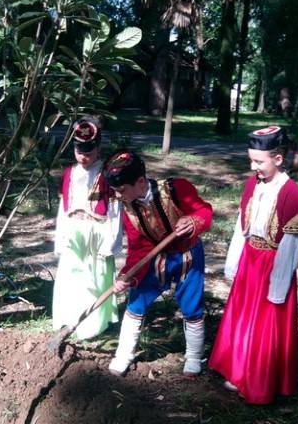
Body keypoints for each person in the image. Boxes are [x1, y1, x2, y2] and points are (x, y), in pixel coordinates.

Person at [209, 126, 298, 404]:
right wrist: (233, 264)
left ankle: (259, 380)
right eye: (251, 160)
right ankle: (237, 371)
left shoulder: (293, 195)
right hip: (250, 262)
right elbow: (241, 227)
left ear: (278, 159)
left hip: (273, 267)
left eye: (259, 162)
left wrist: (278, 288)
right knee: (243, 318)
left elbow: (290, 246)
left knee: (264, 324)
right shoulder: (253, 184)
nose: (253, 167)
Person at [102, 150, 212, 376]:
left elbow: (204, 211)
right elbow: (138, 248)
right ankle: (123, 354)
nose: (118, 195)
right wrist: (127, 276)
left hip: (188, 256)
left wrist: (193, 221)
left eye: (121, 190)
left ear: (140, 182)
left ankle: (193, 356)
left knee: (191, 305)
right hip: (156, 258)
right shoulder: (129, 209)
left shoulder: (176, 188)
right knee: (136, 302)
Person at [51, 117, 123, 339]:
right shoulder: (69, 173)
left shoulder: (107, 174)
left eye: (89, 153)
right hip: (74, 231)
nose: (83, 157)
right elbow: (63, 209)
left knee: (95, 277)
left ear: (98, 149)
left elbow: (114, 209)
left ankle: (92, 323)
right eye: (79, 152)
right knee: (72, 276)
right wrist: (61, 238)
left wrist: (111, 242)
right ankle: (69, 317)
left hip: (97, 232)